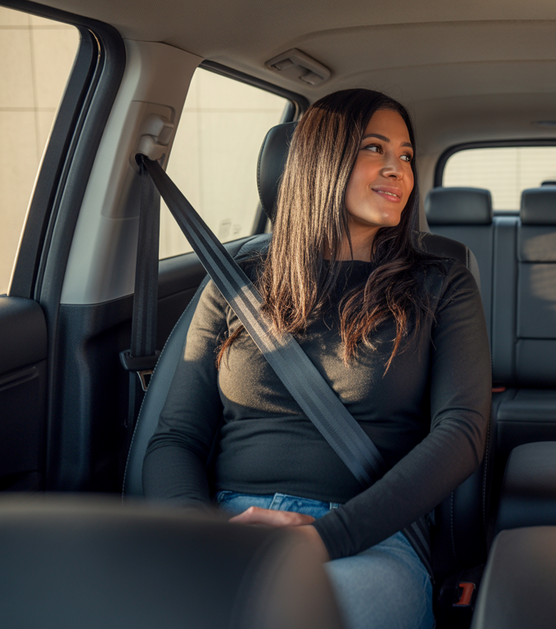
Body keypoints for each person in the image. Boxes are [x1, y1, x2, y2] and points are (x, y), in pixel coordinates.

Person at [144, 89, 491, 629]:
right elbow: (175, 438)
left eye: (406, 155)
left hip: (366, 536)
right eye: (375, 148)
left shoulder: (441, 283)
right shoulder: (236, 281)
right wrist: (199, 534)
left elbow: (463, 432)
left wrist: (324, 538)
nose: (397, 169)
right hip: (227, 527)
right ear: (319, 160)